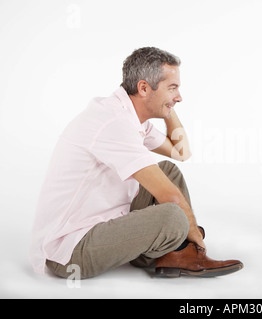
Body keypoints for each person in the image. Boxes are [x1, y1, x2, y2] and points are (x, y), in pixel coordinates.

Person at [30, 47, 243, 279]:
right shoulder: (114, 123)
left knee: (168, 170)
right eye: (173, 88)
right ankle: (186, 253)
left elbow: (181, 151)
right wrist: (197, 239)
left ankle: (174, 254)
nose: (179, 96)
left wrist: (167, 105)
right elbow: (170, 197)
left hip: (104, 224)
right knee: (173, 215)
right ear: (143, 88)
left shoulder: (132, 117)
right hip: (70, 250)